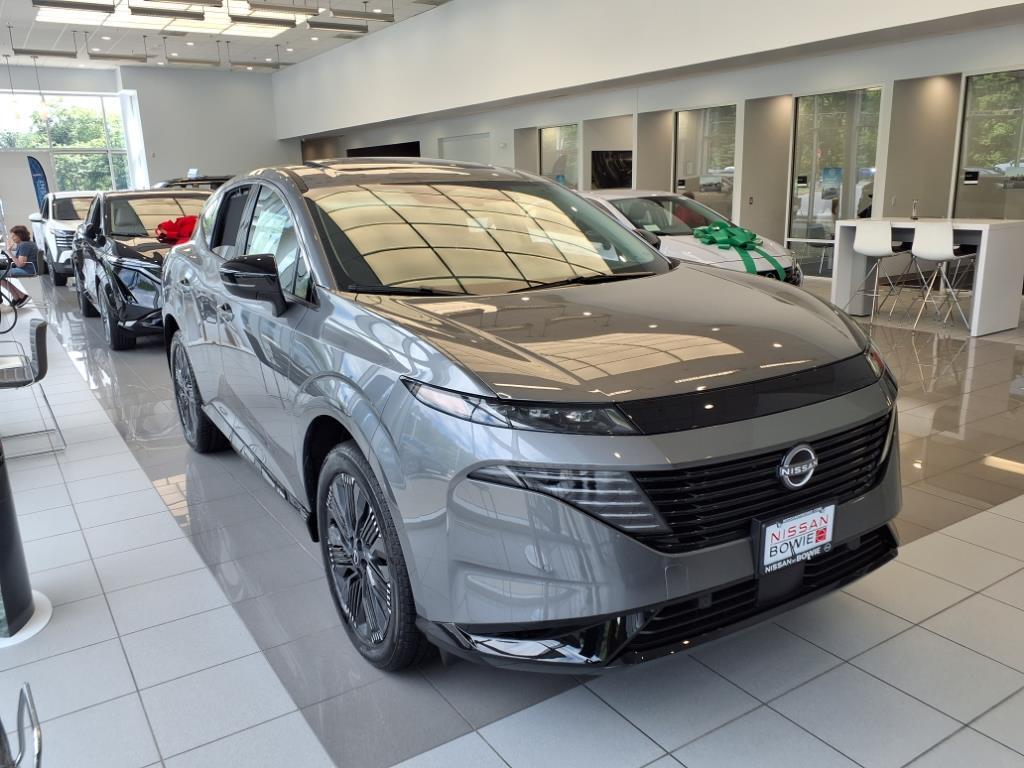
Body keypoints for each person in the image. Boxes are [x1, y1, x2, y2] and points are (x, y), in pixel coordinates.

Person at [2, 225, 37, 308]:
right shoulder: (24, 244)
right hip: (28, 268)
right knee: (1, 275)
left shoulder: (24, 245)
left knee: (0, 274)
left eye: (14, 236)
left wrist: (9, 252)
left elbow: (20, 264)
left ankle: (21, 296)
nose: (12, 238)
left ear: (20, 235)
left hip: (27, 270)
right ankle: (17, 297)